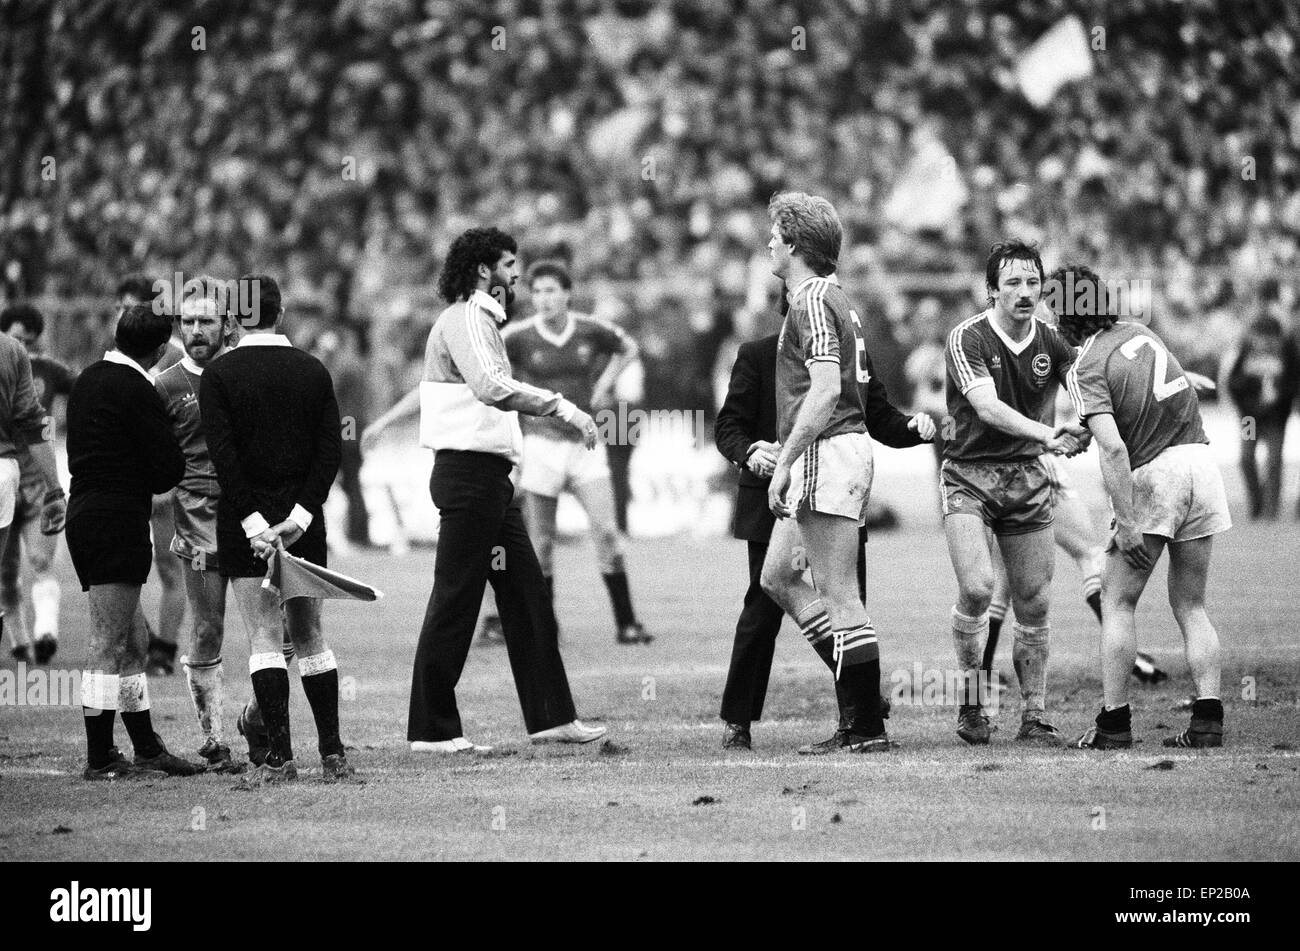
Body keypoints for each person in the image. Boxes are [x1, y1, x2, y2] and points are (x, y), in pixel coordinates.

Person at [405, 227, 605, 753]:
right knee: (456, 598)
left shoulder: (480, 319)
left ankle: (550, 719)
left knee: (526, 595)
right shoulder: (469, 316)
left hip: (488, 481)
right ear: (483, 272)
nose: (518, 274)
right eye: (510, 264)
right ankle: (431, 731)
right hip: (468, 479)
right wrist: (564, 406)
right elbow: (491, 386)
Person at [715, 317, 934, 751]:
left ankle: (856, 716)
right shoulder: (758, 354)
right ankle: (739, 719)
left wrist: (913, 429)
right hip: (773, 498)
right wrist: (749, 451)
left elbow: (880, 419)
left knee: (848, 600)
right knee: (762, 610)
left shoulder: (849, 356)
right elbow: (728, 428)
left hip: (833, 490)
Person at [1056, 264, 1233, 750]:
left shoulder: (1084, 364)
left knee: (1117, 601)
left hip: (1155, 476)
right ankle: (1207, 720)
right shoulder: (1138, 331)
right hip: (1201, 464)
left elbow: (1114, 449)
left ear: (1064, 313)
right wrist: (1085, 432)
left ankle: (1113, 724)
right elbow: (1150, 398)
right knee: (1191, 605)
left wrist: (1129, 521)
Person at [757, 191, 909, 755]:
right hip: (838, 448)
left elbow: (825, 391)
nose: (768, 243)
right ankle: (860, 701)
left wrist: (787, 459)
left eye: (775, 234)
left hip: (827, 448)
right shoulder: (834, 298)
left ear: (795, 243)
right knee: (778, 576)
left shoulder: (811, 300)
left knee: (840, 593)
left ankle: (865, 724)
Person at [200, 274, 354, 783]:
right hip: (300, 523)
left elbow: (223, 457)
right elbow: (330, 450)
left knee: (264, 637)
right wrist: (301, 517)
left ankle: (281, 759)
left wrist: (252, 523)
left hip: (246, 525)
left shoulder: (219, 375)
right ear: (280, 313)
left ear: (235, 319)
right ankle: (332, 754)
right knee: (310, 636)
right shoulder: (312, 370)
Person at [940, 239, 1087, 747]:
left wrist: (1094, 426)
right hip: (969, 474)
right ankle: (971, 702)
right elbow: (986, 407)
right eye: (1013, 284)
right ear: (991, 291)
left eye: (1032, 283)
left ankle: (1034, 715)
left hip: (1026, 476)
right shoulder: (967, 339)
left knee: (1034, 599)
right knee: (979, 589)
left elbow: (1090, 393)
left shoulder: (1054, 342)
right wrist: (1051, 435)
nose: (1025, 293)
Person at [65, 304, 199, 779]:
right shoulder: (139, 389)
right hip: (117, 519)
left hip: (85, 514)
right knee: (107, 643)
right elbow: (168, 469)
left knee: (136, 640)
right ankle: (100, 757)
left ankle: (146, 747)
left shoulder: (86, 379)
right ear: (162, 350)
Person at [500, 260, 649, 644]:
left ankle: (627, 624)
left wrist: (604, 386)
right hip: (541, 445)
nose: (544, 299)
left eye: (551, 290)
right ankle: (545, 629)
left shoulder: (588, 328)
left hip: (585, 445)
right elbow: (491, 368)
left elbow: (628, 348)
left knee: (607, 533)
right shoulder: (518, 336)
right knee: (541, 543)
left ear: (567, 293)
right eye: (537, 292)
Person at [154, 280, 262, 772]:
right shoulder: (166, 385)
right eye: (188, 322)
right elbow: (154, 454)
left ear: (228, 326)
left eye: (206, 321)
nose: (196, 330)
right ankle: (214, 741)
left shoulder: (244, 374)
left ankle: (258, 720)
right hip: (197, 516)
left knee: (274, 631)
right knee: (207, 628)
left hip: (251, 514)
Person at [116, 274, 186, 675]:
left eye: (130, 306)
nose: (122, 314)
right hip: (128, 479)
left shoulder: (173, 357)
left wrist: (171, 478)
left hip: (163, 480)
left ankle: (164, 649)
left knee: (168, 565)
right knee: (123, 568)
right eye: (121, 306)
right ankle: (142, 639)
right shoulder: (116, 354)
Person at [0, 303, 76, 664]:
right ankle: (19, 643)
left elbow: (86, 390)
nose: (25, 349)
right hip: (8, 472)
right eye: (19, 340)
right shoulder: (10, 360)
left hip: (33, 480)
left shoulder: (47, 369)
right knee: (6, 571)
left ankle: (45, 633)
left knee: (39, 559)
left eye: (31, 342)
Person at [1221, 314, 1299, 520]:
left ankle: (1271, 511)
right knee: (1246, 458)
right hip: (1250, 417)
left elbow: (1293, 383)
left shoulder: (1286, 353)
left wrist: (1279, 398)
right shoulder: (1246, 352)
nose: (1263, 342)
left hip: (1275, 418)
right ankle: (1256, 504)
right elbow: (1233, 383)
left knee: (1274, 461)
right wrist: (1249, 390)